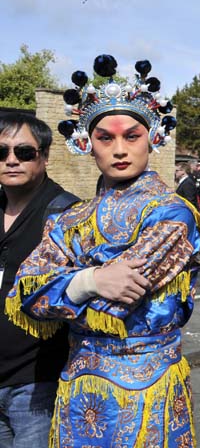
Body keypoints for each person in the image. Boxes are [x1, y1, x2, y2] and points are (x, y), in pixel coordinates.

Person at [5, 55, 200, 447]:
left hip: (149, 388)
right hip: (78, 388)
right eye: (105, 138)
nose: (119, 149)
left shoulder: (173, 213)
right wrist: (92, 279)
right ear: (86, 143)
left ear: (152, 138)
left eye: (131, 136)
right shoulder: (72, 216)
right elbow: (25, 293)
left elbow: (121, 297)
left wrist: (66, 280)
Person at [0, 113, 78, 447]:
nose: (11, 160)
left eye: (24, 152)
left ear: (44, 157)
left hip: (37, 387)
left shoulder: (67, 214)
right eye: (1, 152)